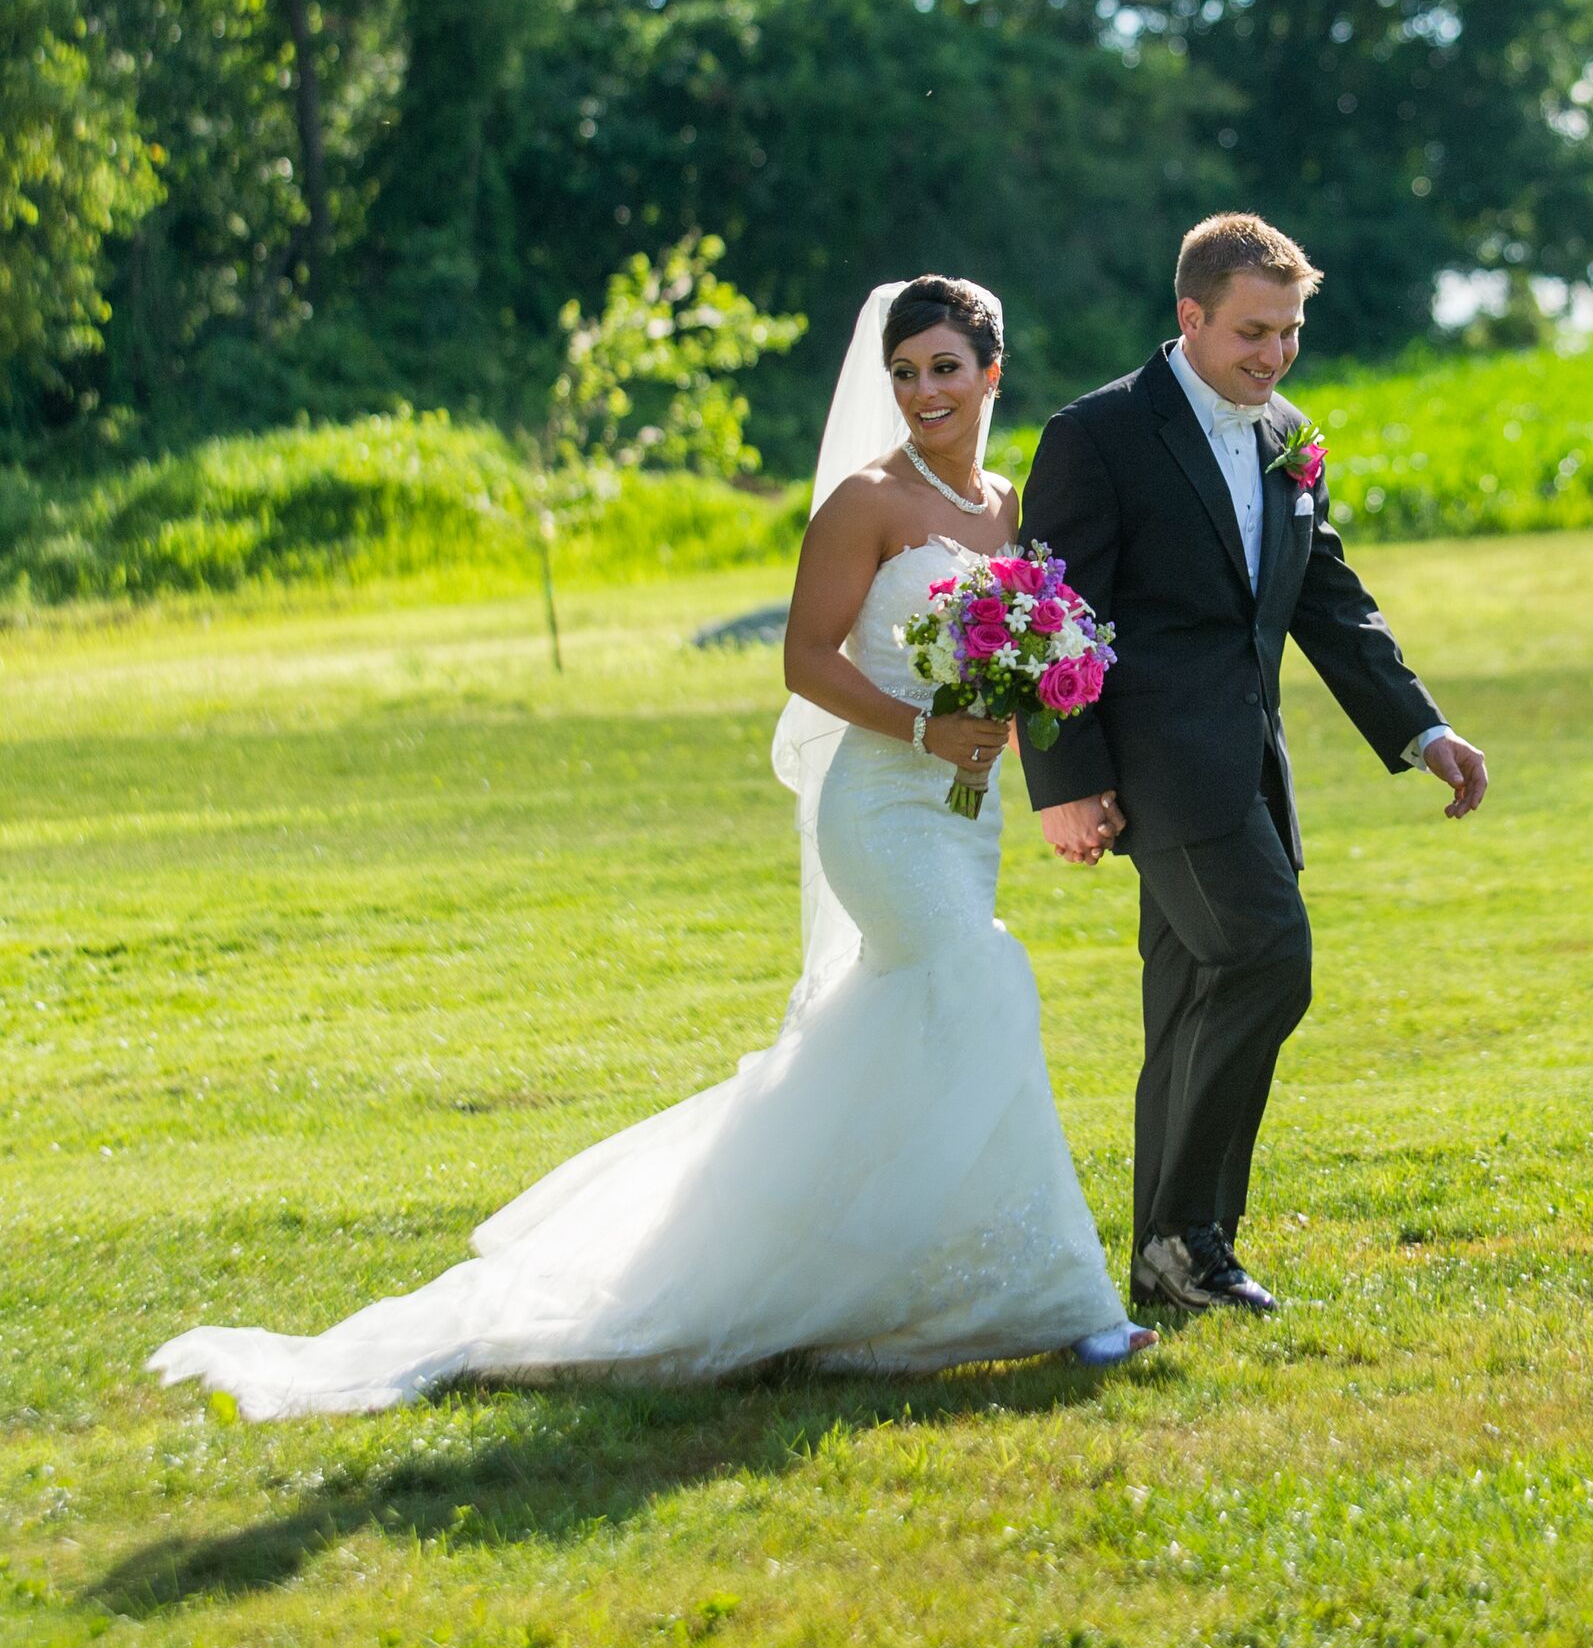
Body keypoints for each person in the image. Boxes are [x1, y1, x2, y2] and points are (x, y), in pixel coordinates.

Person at [146, 277, 1152, 1419]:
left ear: (992, 376)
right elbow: (808, 661)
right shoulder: (865, 504)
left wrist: (1016, 725)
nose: (926, 391)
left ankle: (881, 1283)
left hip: (962, 813)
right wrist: (926, 727)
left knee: (912, 1022)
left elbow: (1000, 657)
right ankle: (1063, 1299)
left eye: (946, 369)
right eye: (907, 371)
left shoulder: (1005, 504)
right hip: (879, 804)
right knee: (979, 980)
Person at [1019, 214, 1490, 1315]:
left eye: (1288, 332)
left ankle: (1174, 1256)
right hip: (1156, 770)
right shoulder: (1099, 434)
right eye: (1250, 333)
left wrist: (1424, 729)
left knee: (1190, 1004)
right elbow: (1055, 618)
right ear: (1190, 318)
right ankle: (1189, 1235)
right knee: (1272, 958)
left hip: (1251, 769)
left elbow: (1329, 600)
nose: (1272, 355)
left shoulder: (1288, 431)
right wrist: (1067, 781)